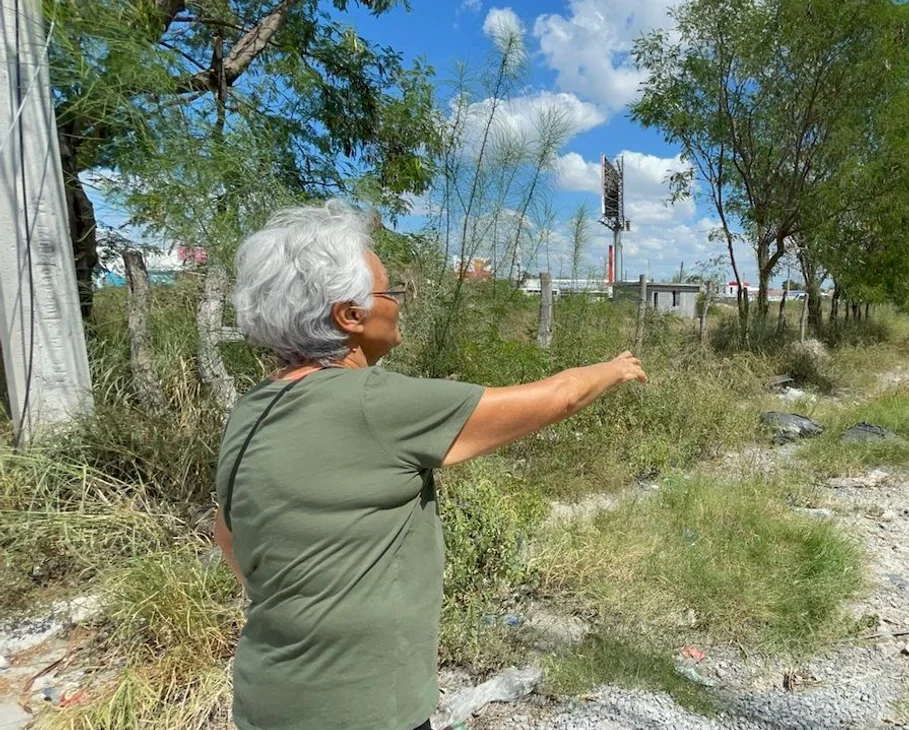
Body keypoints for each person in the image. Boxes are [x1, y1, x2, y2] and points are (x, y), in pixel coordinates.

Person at [213, 200, 646, 730]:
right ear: (350, 315)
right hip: (361, 710)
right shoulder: (373, 402)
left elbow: (231, 538)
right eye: (388, 292)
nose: (398, 303)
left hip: (265, 700)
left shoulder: (253, 408)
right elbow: (556, 398)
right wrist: (613, 368)